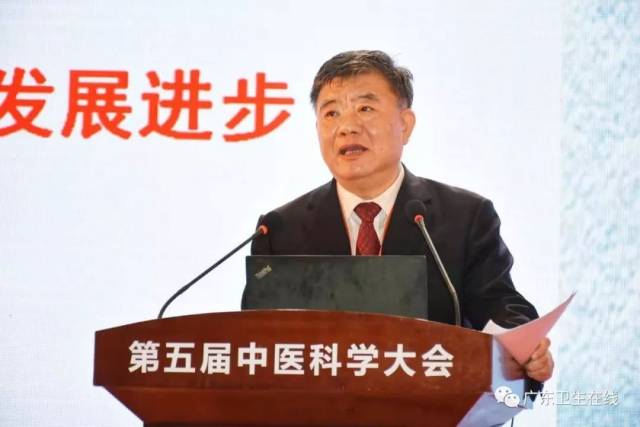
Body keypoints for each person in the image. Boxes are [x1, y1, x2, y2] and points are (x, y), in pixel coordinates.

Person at [249, 50, 553, 383]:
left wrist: (526, 349)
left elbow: (499, 306)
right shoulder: (280, 230)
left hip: (434, 401)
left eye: (365, 108)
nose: (346, 127)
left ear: (405, 125)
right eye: (331, 113)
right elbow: (255, 345)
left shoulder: (465, 217)